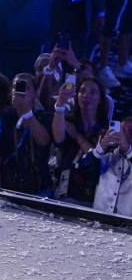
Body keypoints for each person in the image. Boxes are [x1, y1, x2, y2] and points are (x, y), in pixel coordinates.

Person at [52, 76, 109, 206]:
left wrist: (77, 136)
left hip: (92, 196)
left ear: (100, 99)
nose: (86, 95)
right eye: (82, 91)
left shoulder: (105, 129)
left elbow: (96, 157)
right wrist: (60, 105)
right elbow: (58, 138)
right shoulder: (68, 121)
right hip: (65, 190)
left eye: (92, 92)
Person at [0, 72, 53, 194]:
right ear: (11, 93)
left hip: (39, 186)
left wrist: (26, 111)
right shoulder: (5, 117)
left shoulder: (44, 117)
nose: (21, 91)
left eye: (26, 87)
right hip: (10, 185)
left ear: (35, 94)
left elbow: (43, 140)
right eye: (16, 87)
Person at [92, 116, 132, 217]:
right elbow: (84, 172)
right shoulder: (106, 152)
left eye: (131, 132)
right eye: (122, 131)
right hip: (100, 216)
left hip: (127, 223)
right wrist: (100, 148)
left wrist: (128, 151)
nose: (125, 136)